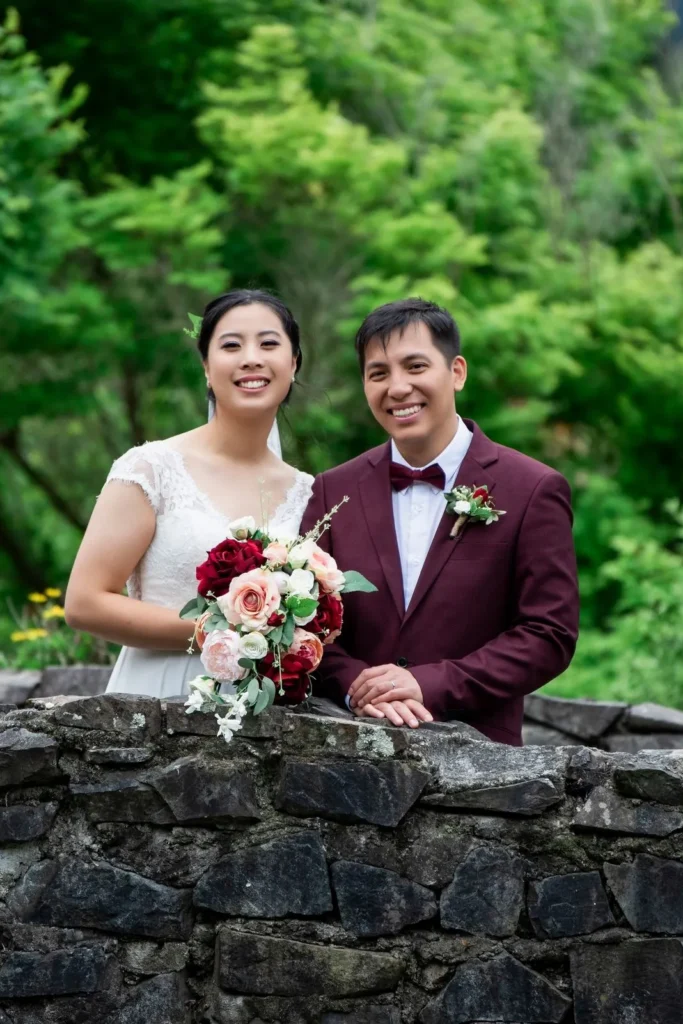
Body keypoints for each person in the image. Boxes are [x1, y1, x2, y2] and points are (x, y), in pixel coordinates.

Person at [300, 298, 578, 744]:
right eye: (378, 373)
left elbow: (548, 635)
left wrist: (428, 684)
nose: (397, 387)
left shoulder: (532, 489)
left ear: (457, 372)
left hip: (482, 765)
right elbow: (304, 625)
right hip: (345, 751)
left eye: (415, 366)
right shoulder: (334, 490)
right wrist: (358, 684)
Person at [65, 290, 313, 698]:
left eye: (269, 343)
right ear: (206, 367)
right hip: (155, 694)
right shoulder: (150, 469)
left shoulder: (308, 494)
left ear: (293, 362)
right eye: (231, 345)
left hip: (268, 708)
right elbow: (84, 603)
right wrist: (218, 634)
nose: (251, 357)